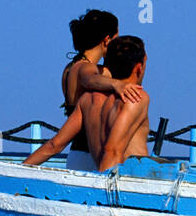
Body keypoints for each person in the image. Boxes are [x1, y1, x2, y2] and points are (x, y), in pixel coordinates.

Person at [25, 36, 151, 171]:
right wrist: (101, 188)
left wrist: (20, 169)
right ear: (139, 68)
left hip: (105, 176)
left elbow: (54, 145)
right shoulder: (136, 98)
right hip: (129, 183)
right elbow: (112, 151)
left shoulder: (88, 99)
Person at [59, 10, 142, 170]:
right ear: (106, 40)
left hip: (76, 154)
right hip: (93, 157)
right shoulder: (87, 68)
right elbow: (91, 79)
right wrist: (117, 84)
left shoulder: (69, 68)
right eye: (116, 39)